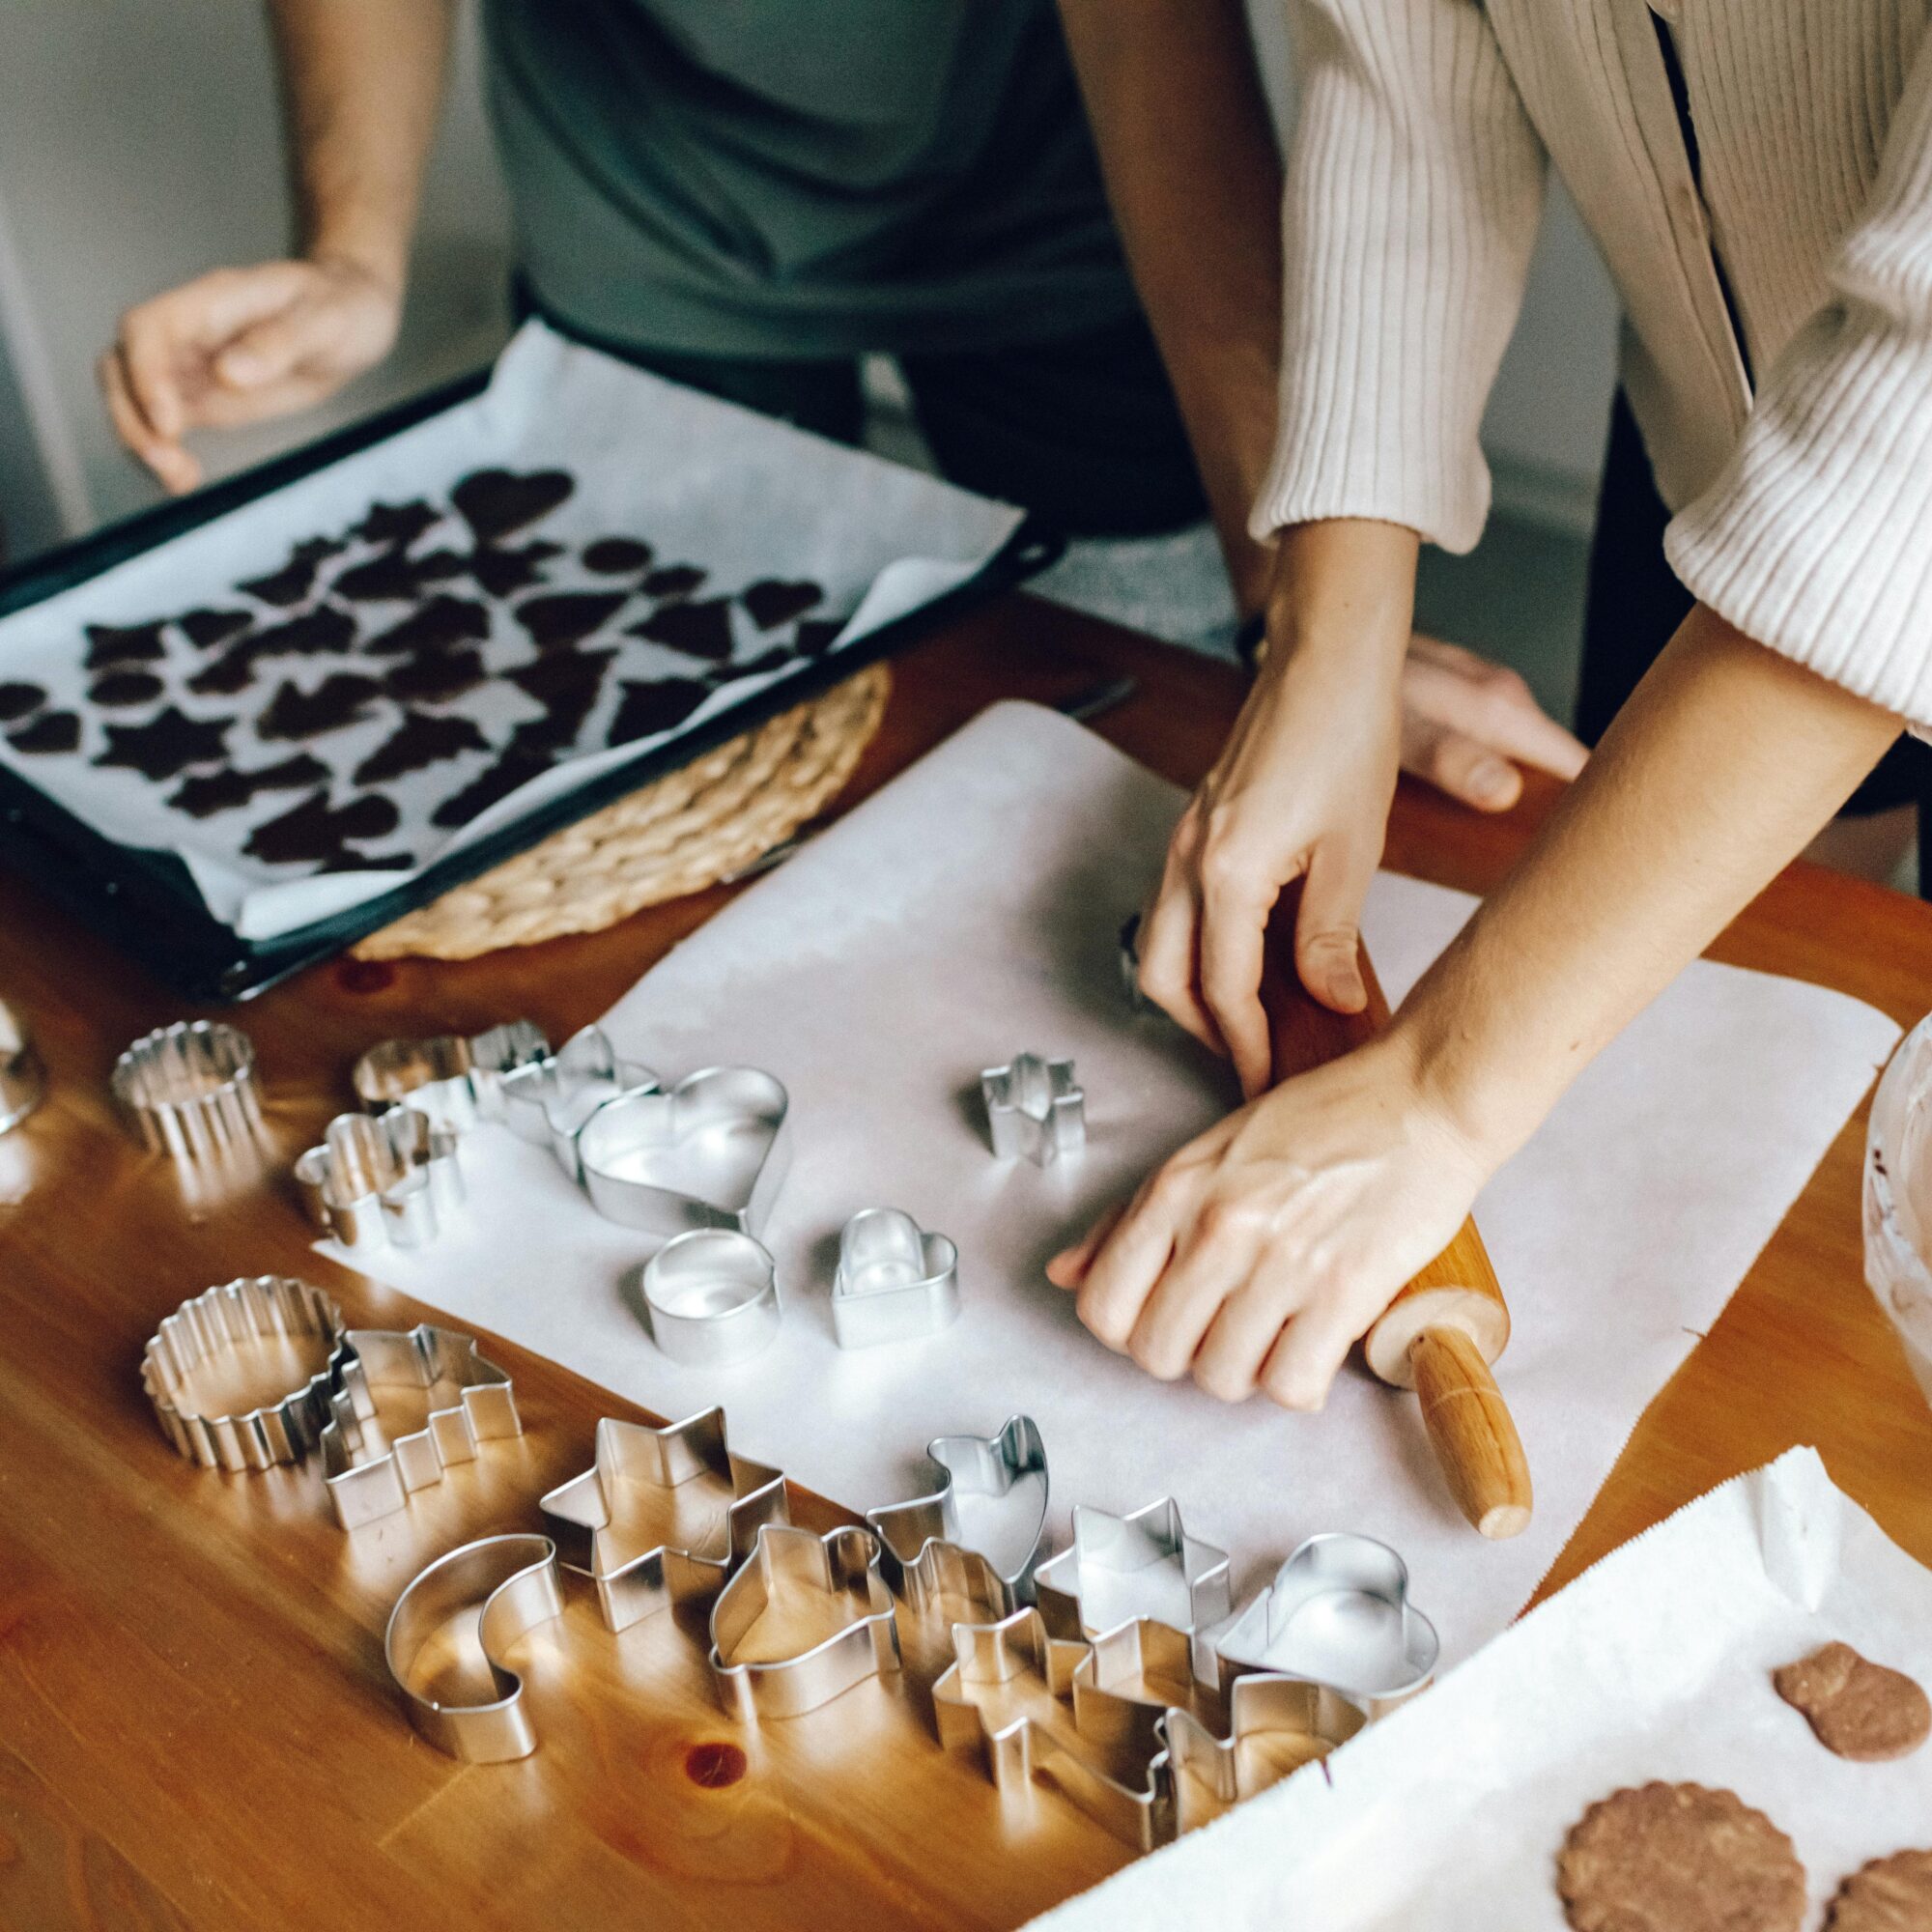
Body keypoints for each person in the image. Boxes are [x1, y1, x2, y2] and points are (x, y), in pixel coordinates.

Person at [1049, 0, 1928, 1413]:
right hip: (1720, 448)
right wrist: (1326, 636)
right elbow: (1410, 89)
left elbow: (1913, 457)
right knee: (1771, 1042)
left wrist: (1440, 1094)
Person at [99, 0, 1580, 819]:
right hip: (646, 215)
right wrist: (352, 252)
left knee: (1157, 696)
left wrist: (1298, 618)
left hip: (1061, 207)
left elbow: (1153, 48)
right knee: (677, 762)